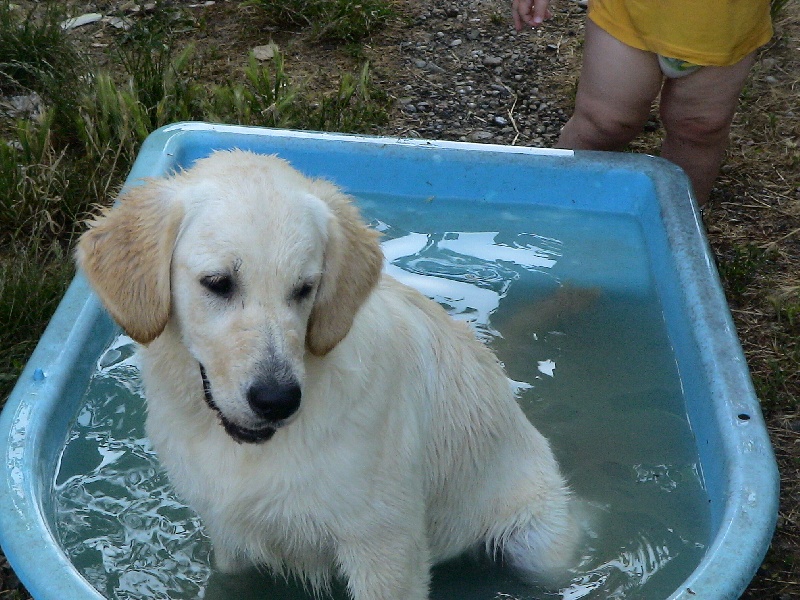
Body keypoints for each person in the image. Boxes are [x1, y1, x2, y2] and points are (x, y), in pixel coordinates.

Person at [511, 0, 773, 205]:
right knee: (603, 122)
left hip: (727, 22)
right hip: (631, 14)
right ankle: (547, 205)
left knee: (699, 129)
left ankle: (678, 234)